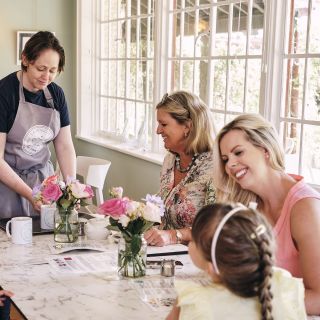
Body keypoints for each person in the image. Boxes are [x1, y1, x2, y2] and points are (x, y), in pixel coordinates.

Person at [213, 113, 320, 315]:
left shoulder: (306, 207)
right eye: (226, 159)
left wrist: (253, 303)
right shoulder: (248, 206)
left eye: (238, 152)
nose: (229, 165)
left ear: (265, 150)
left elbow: (319, 298)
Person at [166, 203, 307, 320]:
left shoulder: (192, 300)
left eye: (193, 240)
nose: (190, 243)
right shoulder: (286, 285)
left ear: (213, 268)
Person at [0, 31, 76, 218]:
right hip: (7, 183)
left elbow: (65, 147)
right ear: (25, 60)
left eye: (52, 71)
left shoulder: (56, 95)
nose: (46, 77)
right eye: (41, 69)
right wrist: (30, 195)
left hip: (44, 183)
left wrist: (72, 189)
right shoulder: (4, 93)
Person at [144, 91, 216, 246]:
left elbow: (215, 227)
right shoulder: (170, 160)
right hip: (163, 253)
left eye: (163, 124)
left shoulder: (215, 167)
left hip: (196, 256)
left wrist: (173, 236)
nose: (157, 130)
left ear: (188, 126)